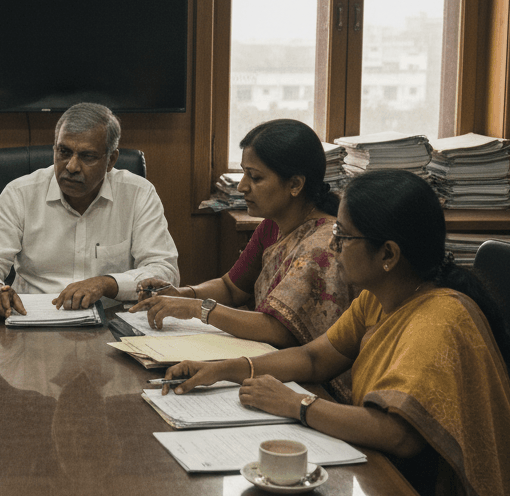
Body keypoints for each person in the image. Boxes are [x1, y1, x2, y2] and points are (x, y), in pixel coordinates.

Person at [164, 169, 510, 496]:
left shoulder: (438, 320)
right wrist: (229, 369)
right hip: (398, 485)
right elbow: (316, 358)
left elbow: (400, 436)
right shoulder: (380, 297)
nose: (332, 247)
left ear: (389, 254)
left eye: (343, 236)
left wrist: (297, 404)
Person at [131, 119, 353, 347]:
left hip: (307, 376)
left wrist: (197, 309)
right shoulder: (272, 225)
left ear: (295, 184)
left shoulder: (322, 245)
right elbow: (231, 288)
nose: (242, 186)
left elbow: (279, 330)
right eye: (244, 174)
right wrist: (182, 294)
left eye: (255, 177)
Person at [0, 102, 179, 319]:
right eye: (64, 152)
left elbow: (164, 271)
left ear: (111, 160)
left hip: (113, 321)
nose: (72, 166)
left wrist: (108, 283)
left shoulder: (138, 194)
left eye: (87, 156)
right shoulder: (21, 193)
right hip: (32, 322)